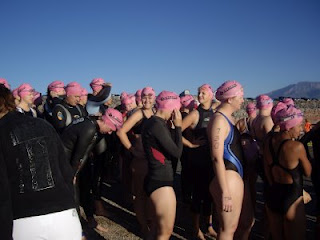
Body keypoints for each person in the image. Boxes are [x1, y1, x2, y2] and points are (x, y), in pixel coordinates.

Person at [0, 85, 82, 240]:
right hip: (64, 217)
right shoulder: (43, 124)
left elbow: (2, 192)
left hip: (24, 220)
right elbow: (66, 174)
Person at [61, 108, 123, 234]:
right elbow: (80, 156)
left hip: (73, 159)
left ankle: (90, 220)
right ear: (106, 122)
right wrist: (73, 175)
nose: (110, 133)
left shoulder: (91, 122)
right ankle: (77, 230)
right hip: (66, 161)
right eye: (111, 129)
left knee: (85, 188)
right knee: (74, 195)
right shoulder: (90, 129)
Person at [208, 80, 253, 240]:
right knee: (228, 229)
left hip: (235, 177)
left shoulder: (228, 119)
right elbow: (216, 157)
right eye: (240, 96)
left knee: (244, 222)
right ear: (230, 98)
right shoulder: (219, 120)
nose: (243, 100)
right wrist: (225, 192)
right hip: (228, 178)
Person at [263, 105, 311, 240]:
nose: (301, 130)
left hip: (273, 194)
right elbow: (308, 172)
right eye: (299, 126)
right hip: (292, 196)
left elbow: (267, 171)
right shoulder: (296, 147)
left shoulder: (268, 143)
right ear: (289, 126)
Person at [142, 91, 183, 240]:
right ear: (171, 108)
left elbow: (167, 148)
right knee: (164, 233)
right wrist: (178, 127)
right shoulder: (157, 125)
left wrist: (172, 128)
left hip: (156, 178)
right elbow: (177, 152)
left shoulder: (154, 123)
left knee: (155, 229)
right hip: (161, 183)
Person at [117, 86, 156, 237]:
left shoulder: (155, 112)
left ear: (154, 98)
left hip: (153, 161)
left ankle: (150, 221)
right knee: (140, 195)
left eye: (150, 96)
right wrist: (132, 150)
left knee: (151, 194)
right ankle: (143, 226)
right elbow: (121, 131)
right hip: (140, 160)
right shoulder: (138, 114)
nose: (147, 99)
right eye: (144, 97)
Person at [181, 83, 217, 239]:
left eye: (203, 93)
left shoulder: (215, 113)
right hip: (197, 162)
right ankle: (195, 229)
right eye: (199, 93)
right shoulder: (195, 114)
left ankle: (209, 226)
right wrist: (190, 144)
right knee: (197, 196)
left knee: (210, 195)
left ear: (211, 94)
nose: (200, 95)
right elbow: (176, 131)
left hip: (211, 161)